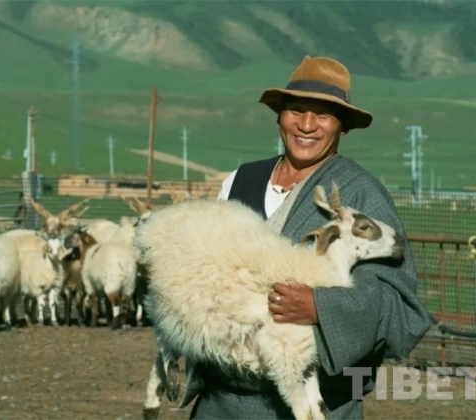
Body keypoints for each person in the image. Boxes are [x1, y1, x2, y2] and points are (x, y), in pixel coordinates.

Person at [185, 56, 432, 419]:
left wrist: (322, 306)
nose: (306, 125)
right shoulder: (240, 182)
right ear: (279, 116)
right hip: (222, 401)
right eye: (296, 110)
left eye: (324, 114)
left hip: (314, 405)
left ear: (342, 126)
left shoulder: (360, 195)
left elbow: (397, 303)